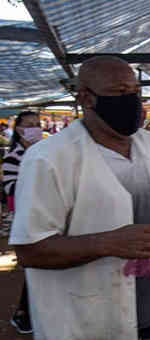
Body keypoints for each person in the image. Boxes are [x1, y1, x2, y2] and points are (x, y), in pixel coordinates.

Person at [9, 56, 150, 339]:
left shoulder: (149, 144)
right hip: (91, 318)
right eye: (120, 93)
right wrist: (106, 243)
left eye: (135, 92)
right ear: (86, 98)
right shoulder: (48, 159)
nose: (132, 101)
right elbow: (30, 250)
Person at [3, 110, 41, 334]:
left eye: (37, 123)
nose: (36, 127)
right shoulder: (12, 158)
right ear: (19, 129)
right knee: (36, 265)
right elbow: (11, 189)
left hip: (45, 216)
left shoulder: (43, 151)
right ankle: (23, 314)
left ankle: (26, 313)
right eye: (30, 124)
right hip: (27, 220)